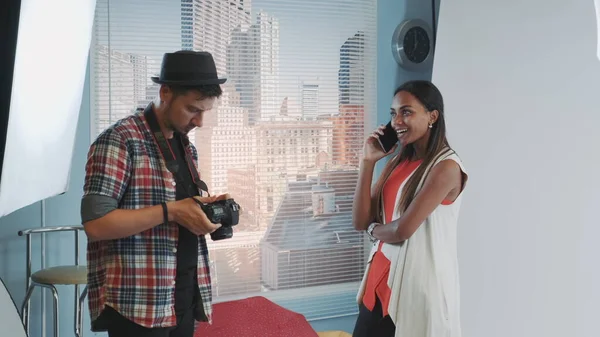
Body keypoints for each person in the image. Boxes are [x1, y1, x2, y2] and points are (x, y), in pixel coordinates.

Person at [81, 50, 228, 337]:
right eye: (192, 109)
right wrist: (171, 211)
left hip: (183, 297)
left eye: (205, 112)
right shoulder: (120, 140)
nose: (200, 121)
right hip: (137, 306)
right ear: (165, 92)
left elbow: (180, 207)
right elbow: (96, 225)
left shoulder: (187, 148)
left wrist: (203, 209)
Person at [352, 80, 468, 337]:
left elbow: (402, 229)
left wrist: (373, 229)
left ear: (432, 116)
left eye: (406, 111)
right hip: (378, 282)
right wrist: (368, 161)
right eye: (393, 113)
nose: (397, 121)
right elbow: (360, 220)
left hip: (414, 288)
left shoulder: (446, 168)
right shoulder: (396, 163)